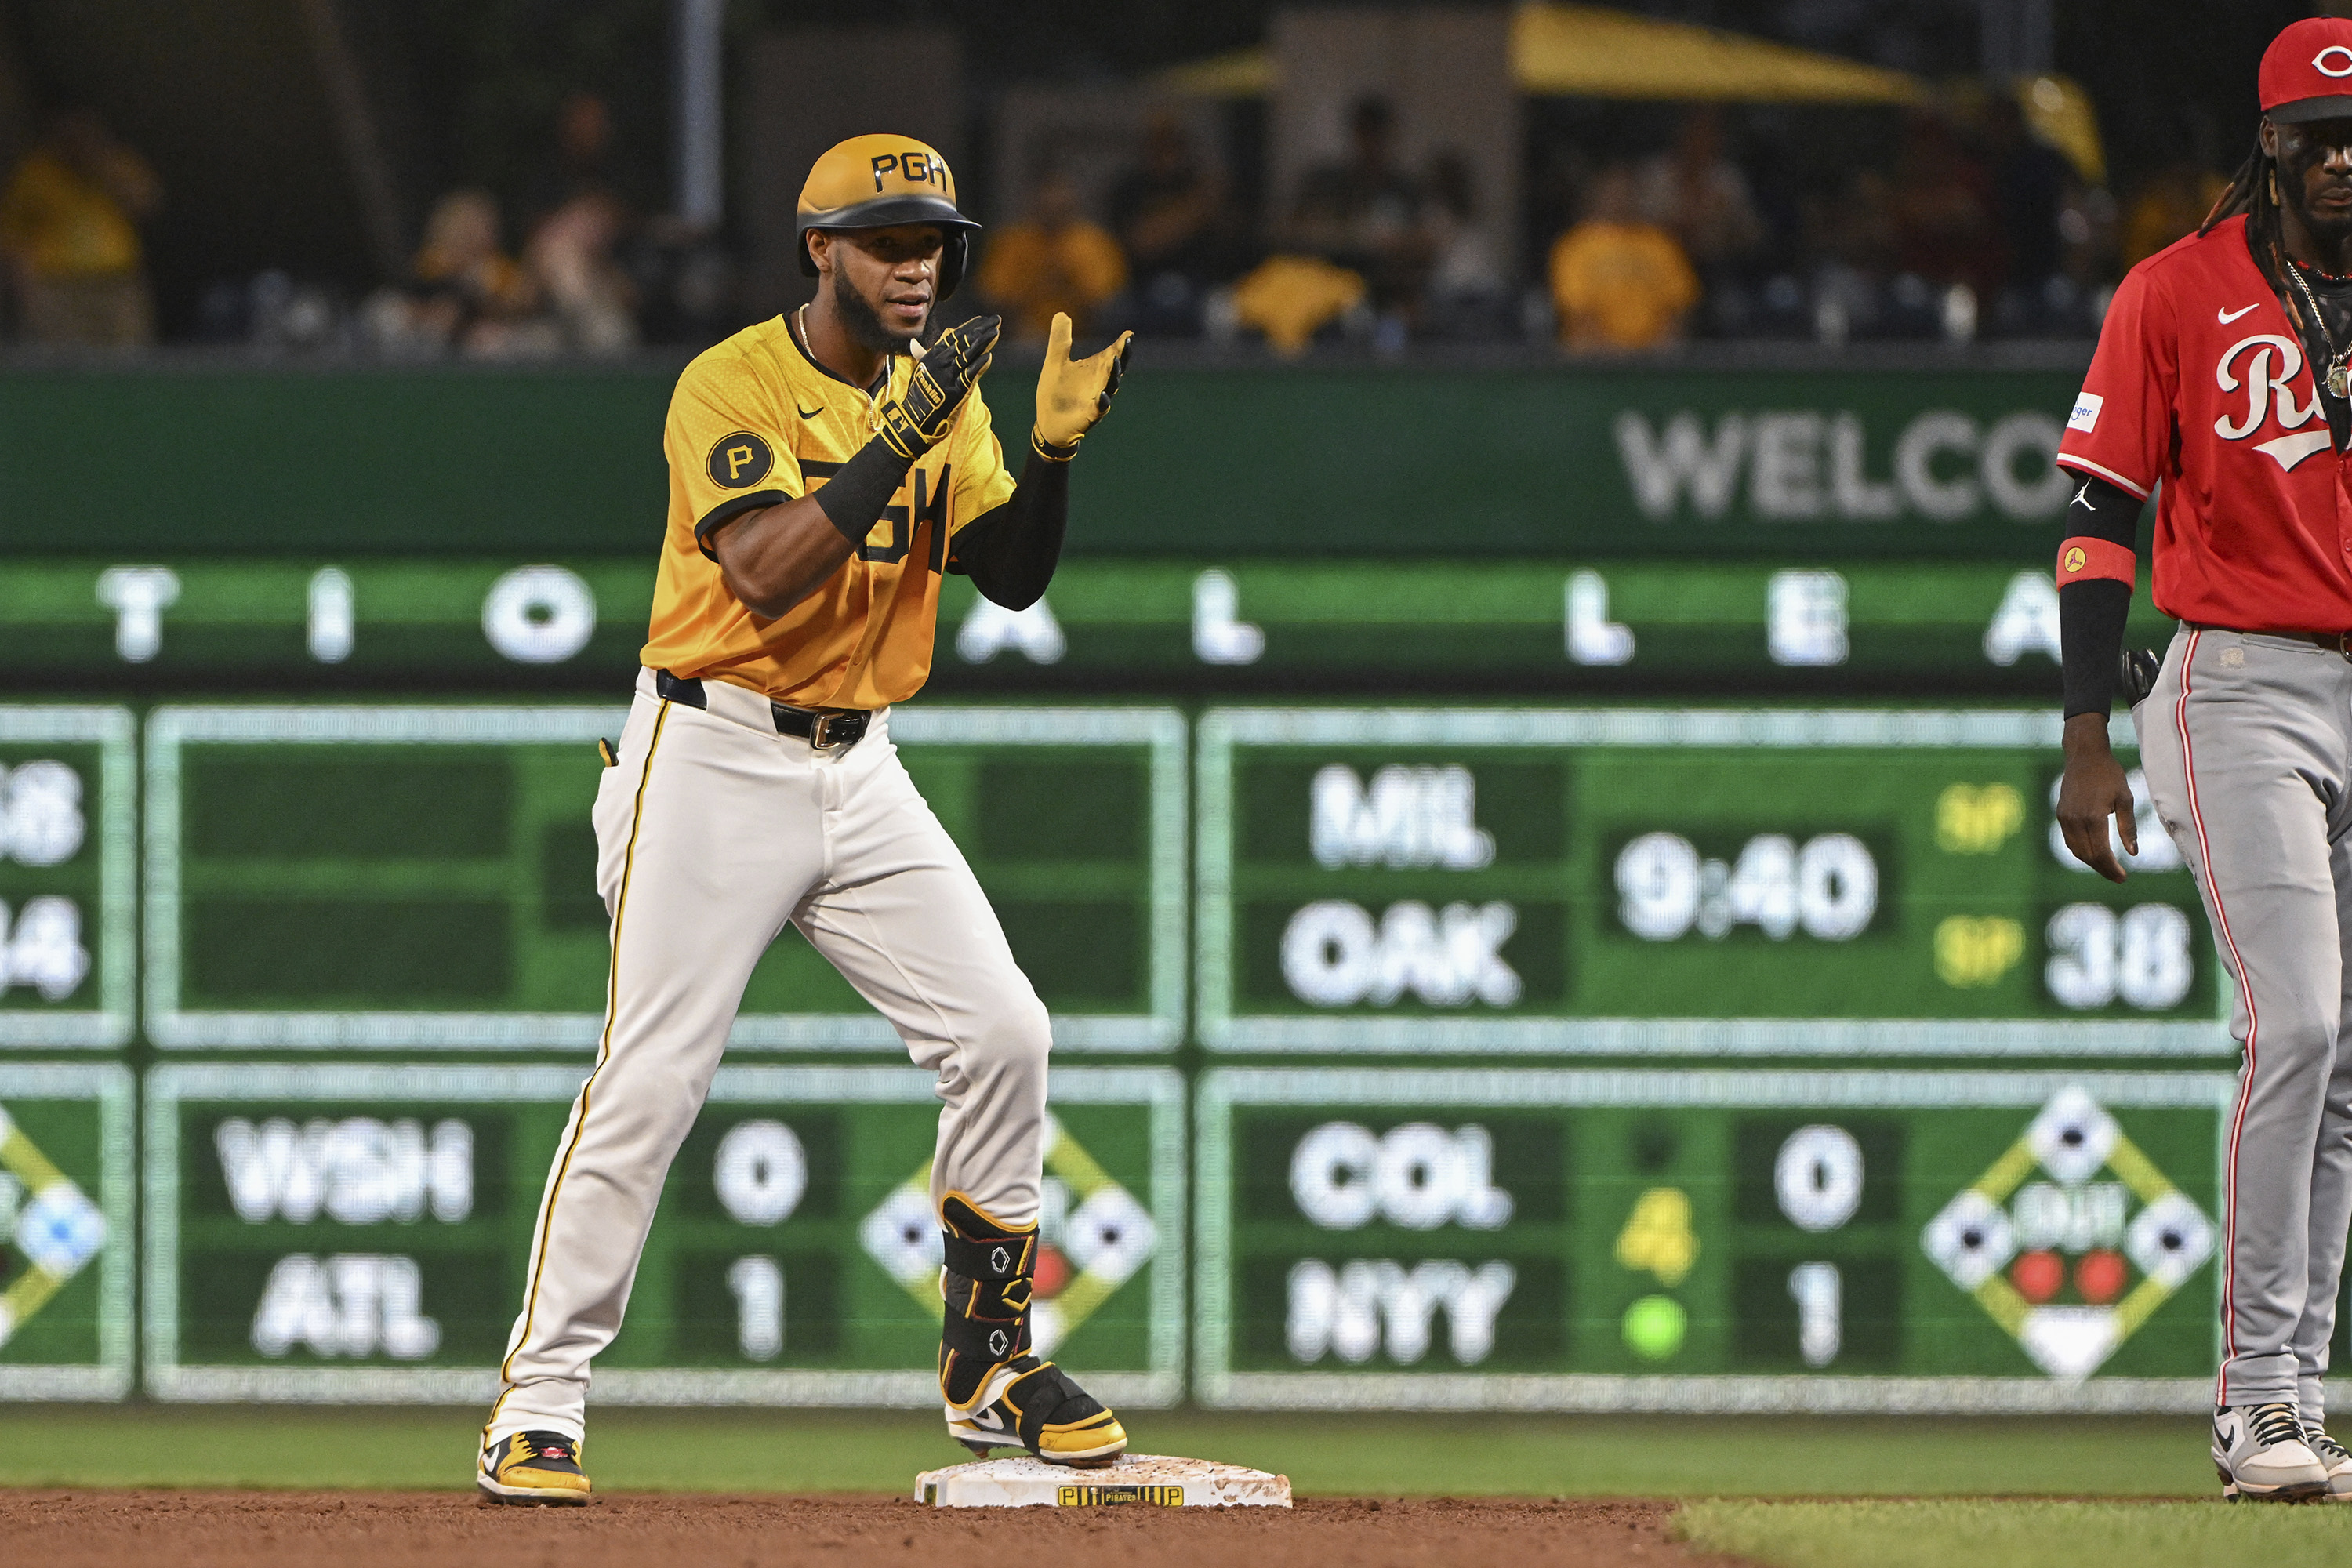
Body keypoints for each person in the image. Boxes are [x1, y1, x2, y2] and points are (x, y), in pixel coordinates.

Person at [474, 133, 1134, 1506]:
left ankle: (990, 1364)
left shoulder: (943, 399)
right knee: (653, 1080)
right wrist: (900, 431)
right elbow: (768, 573)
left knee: (1005, 1032)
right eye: (886, 240)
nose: (917, 265)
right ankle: (537, 1405)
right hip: (713, 752)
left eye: (935, 242)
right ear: (818, 250)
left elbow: (1006, 578)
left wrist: (1057, 454)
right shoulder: (736, 380)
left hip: (863, 762)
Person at [2053, 15, 2352, 1506]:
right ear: (2272, 147)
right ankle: (2252, 1406)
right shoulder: (2178, 290)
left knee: (2350, 1065)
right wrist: (2085, 732)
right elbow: (2100, 512)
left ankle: (2301, 1397)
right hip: (2238, 679)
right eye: (2317, 138)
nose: (2344, 161)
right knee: (2297, 1025)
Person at [0, 107, 159, 347]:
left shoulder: (117, 166)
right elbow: (13, 240)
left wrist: (100, 164)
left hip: (116, 286)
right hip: (58, 289)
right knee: (63, 369)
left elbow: (146, 204)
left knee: (128, 366)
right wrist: (27, 292)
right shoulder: (35, 174)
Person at [1287, 95, 1427, 314]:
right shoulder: (1327, 183)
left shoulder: (1404, 188)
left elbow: (1425, 240)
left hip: (1387, 293)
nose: (1370, 143)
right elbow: (1296, 229)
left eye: (1376, 133)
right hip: (1328, 292)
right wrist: (1350, 233)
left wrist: (1395, 242)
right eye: (1364, 132)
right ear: (1354, 134)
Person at [1547, 164, 1699, 352]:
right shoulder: (1575, 246)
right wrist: (1614, 359)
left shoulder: (1661, 243)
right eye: (1612, 192)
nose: (1619, 198)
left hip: (1654, 362)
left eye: (1626, 191)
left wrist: (1654, 359)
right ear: (1597, 195)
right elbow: (1579, 313)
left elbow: (1677, 308)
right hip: (1595, 360)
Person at [974, 168, 1127, 341]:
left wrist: (1068, 279)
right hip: (1020, 343)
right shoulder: (1012, 242)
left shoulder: (1094, 243)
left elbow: (1106, 300)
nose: (1053, 204)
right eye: (1047, 196)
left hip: (1085, 340)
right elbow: (993, 296)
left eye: (1059, 196)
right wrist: (1037, 280)